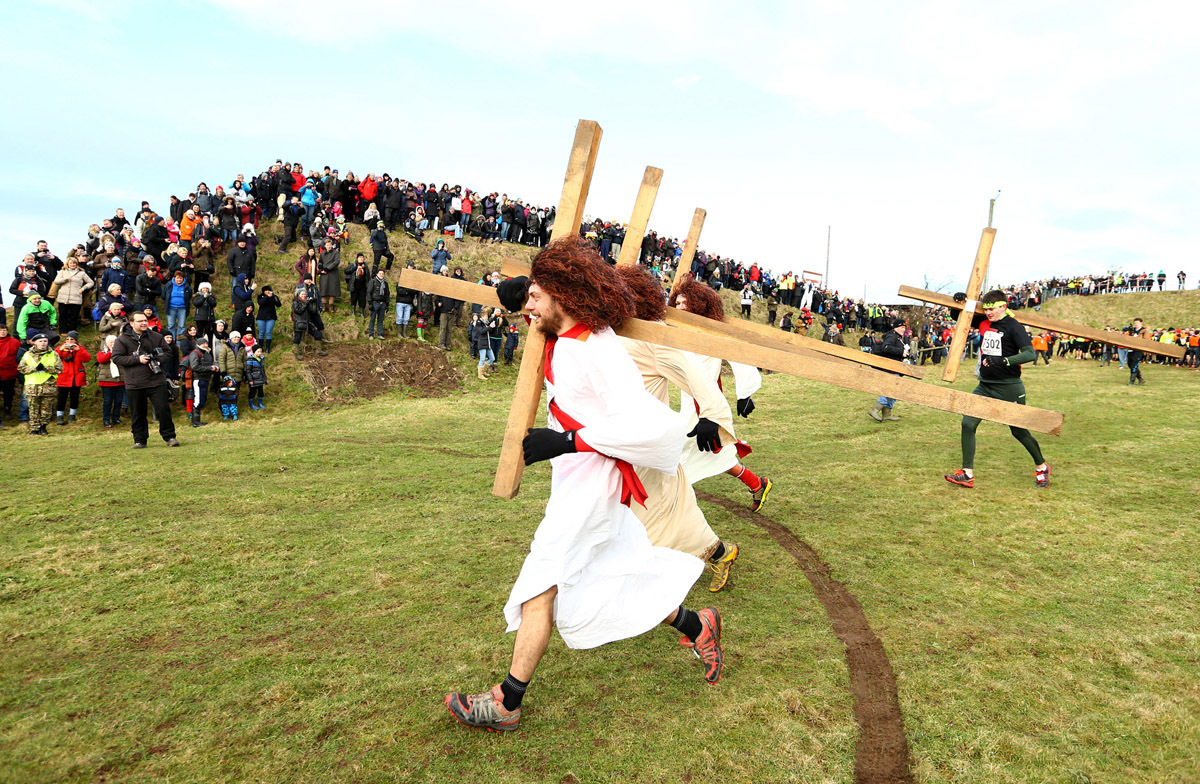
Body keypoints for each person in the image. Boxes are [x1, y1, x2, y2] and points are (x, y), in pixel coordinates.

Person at [446, 237, 723, 733]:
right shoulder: (563, 331)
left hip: (592, 487)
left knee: (542, 582)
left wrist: (567, 442)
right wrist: (512, 295)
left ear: (565, 297)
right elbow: (537, 321)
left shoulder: (600, 351)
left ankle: (507, 701)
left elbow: (647, 426)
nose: (528, 305)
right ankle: (696, 625)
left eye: (536, 296)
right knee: (612, 571)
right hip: (577, 483)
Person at [614, 265, 742, 593]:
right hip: (613, 439)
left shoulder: (653, 336)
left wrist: (713, 414)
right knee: (657, 508)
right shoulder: (612, 331)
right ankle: (716, 553)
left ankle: (695, 569)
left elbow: (697, 376)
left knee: (654, 511)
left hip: (643, 440)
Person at [670, 278, 772, 512]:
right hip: (689, 400)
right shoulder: (678, 332)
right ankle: (757, 484)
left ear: (698, 305)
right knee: (709, 452)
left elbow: (738, 354)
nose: (680, 308)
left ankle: (675, 509)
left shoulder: (711, 331)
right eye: (677, 303)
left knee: (682, 452)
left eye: (685, 303)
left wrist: (745, 393)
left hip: (706, 403)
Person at [944, 290, 1049, 489]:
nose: (989, 313)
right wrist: (957, 302)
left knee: (1018, 431)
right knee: (968, 424)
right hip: (985, 385)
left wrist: (1005, 360)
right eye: (986, 309)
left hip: (1009, 387)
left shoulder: (1013, 327)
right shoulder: (984, 322)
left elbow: (1029, 354)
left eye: (992, 309)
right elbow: (958, 316)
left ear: (1003, 306)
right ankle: (967, 474)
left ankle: (1042, 467)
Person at [110, 311, 179, 448]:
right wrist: (137, 359)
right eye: (140, 321)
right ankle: (140, 440)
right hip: (135, 383)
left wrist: (159, 361)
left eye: (145, 321)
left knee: (163, 410)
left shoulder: (156, 336)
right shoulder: (122, 340)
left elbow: (169, 352)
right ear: (131, 323)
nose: (143, 323)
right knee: (138, 413)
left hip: (156, 380)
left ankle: (170, 437)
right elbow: (116, 358)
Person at [18, 333, 62, 435]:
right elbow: (21, 368)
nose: (43, 343)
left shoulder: (53, 354)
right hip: (32, 386)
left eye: (45, 341)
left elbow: (59, 369)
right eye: (40, 341)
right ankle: (34, 428)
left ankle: (43, 427)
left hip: (48, 385)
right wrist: (34, 368)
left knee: (46, 408)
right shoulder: (28, 354)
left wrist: (46, 368)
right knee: (33, 408)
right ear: (35, 342)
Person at [867, 318, 909, 422]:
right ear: (895, 327)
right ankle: (874, 409)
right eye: (901, 327)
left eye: (904, 328)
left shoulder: (897, 338)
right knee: (892, 389)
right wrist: (901, 352)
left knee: (895, 390)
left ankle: (887, 414)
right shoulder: (892, 336)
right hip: (890, 368)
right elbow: (886, 347)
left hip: (894, 368)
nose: (904, 329)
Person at [54, 331, 91, 426]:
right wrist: (61, 350)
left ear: (76, 340)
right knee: (62, 397)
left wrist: (79, 350)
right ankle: (59, 416)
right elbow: (53, 359)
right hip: (64, 377)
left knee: (74, 397)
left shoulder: (80, 349)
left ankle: (72, 415)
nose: (69, 341)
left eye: (72, 339)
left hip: (76, 377)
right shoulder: (60, 348)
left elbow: (87, 359)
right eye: (67, 339)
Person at [51, 256, 94, 334]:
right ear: (67, 264)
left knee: (73, 316)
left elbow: (91, 282)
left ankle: (72, 332)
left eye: (74, 263)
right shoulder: (62, 272)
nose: (73, 265)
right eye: (71, 263)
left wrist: (83, 288)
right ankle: (63, 331)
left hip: (76, 297)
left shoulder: (81, 273)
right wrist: (65, 279)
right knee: (63, 315)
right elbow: (56, 281)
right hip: (63, 297)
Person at [95, 334, 125, 428]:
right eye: (111, 342)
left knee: (119, 400)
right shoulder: (102, 352)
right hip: (107, 381)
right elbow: (102, 360)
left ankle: (116, 418)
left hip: (120, 380)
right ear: (107, 343)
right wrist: (111, 352)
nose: (113, 344)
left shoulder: (122, 352)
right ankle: (106, 420)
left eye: (115, 342)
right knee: (108, 401)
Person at [291, 289, 326, 358]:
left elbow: (313, 312)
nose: (304, 295)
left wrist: (314, 304)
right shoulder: (295, 303)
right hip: (299, 323)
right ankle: (297, 353)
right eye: (302, 294)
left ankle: (319, 351)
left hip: (307, 323)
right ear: (298, 295)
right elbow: (299, 311)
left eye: (305, 294)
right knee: (297, 339)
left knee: (317, 335)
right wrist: (306, 304)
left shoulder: (307, 302)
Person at [0, 324, 20, 427]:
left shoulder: (15, 342)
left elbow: (20, 356)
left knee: (8, 394)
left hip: (9, 374)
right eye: (1, 330)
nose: (2, 332)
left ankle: (8, 410)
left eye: (4, 330)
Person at [255, 285, 281, 354]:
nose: (267, 292)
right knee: (261, 333)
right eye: (266, 290)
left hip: (271, 317)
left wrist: (275, 298)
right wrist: (266, 296)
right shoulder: (260, 296)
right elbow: (260, 303)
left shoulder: (273, 297)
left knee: (268, 332)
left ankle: (267, 348)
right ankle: (260, 347)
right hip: (261, 317)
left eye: (268, 290)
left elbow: (279, 304)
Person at [366, 267, 390, 339]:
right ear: (377, 274)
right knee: (372, 319)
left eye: (383, 274)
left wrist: (387, 304)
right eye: (380, 273)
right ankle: (371, 334)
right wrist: (370, 303)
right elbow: (369, 292)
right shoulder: (372, 282)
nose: (381, 275)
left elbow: (387, 294)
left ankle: (380, 334)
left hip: (382, 303)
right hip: (375, 302)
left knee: (381, 320)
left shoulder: (385, 283)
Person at [394, 262, 416, 338]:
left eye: (412, 266)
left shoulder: (413, 280)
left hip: (409, 302)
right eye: (410, 266)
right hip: (400, 301)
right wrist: (408, 291)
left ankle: (404, 333)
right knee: (400, 317)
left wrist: (407, 291)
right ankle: (399, 333)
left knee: (406, 318)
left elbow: (414, 290)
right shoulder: (401, 279)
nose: (411, 267)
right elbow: (400, 291)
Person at [1127, 318, 1150, 386]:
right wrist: (1130, 333)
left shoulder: (1144, 331)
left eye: (1137, 323)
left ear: (1141, 323)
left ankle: (1132, 381)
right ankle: (1141, 379)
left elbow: (1146, 340)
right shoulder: (1133, 330)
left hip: (1139, 350)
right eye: (1135, 323)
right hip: (1131, 349)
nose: (1136, 324)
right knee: (1130, 364)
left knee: (1134, 365)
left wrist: (1136, 338)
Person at [244, 345, 268, 410]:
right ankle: (251, 404)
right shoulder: (250, 359)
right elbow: (248, 371)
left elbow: (262, 370)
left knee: (260, 392)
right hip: (253, 379)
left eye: (260, 351)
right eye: (258, 351)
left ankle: (260, 403)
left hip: (260, 378)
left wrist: (264, 378)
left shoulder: (262, 359)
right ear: (254, 352)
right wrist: (250, 380)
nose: (259, 353)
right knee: (252, 392)